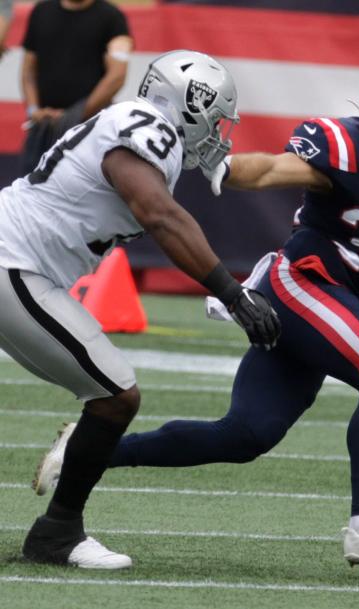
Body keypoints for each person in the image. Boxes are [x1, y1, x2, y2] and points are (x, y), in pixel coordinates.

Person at [34, 58, 359, 570]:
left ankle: (83, 451)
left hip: (333, 300)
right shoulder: (340, 148)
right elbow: (275, 168)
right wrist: (228, 169)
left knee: (245, 435)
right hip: (302, 282)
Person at [1, 49, 280, 569]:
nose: (218, 132)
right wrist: (233, 292)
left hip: (19, 261)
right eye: (215, 116)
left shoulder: (136, 124)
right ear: (189, 104)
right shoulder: (150, 127)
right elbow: (160, 216)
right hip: (13, 262)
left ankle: (57, 533)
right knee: (114, 395)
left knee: (112, 393)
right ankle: (57, 534)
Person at [20, 0, 133, 174]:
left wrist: (73, 116)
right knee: (31, 191)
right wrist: (34, 110)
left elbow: (117, 76)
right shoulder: (41, 11)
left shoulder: (112, 16)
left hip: (90, 131)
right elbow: (28, 71)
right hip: (43, 129)